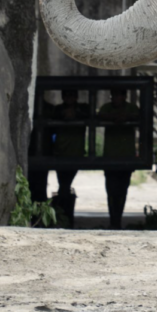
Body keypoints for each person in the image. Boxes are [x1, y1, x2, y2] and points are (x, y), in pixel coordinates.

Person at [97, 89, 140, 229]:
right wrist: (116, 117)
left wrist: (125, 117)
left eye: (118, 95)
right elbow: (99, 115)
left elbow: (139, 116)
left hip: (126, 155)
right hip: (110, 155)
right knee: (111, 189)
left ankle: (117, 219)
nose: (115, 98)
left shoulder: (131, 108)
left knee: (122, 189)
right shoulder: (107, 107)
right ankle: (113, 219)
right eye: (113, 95)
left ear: (124, 96)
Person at [51, 89, 88, 225]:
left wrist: (75, 114)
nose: (69, 98)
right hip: (61, 151)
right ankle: (64, 217)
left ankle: (63, 216)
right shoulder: (57, 110)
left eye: (71, 95)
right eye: (66, 95)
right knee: (64, 184)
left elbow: (88, 115)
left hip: (75, 152)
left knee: (65, 184)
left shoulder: (83, 109)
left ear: (76, 97)